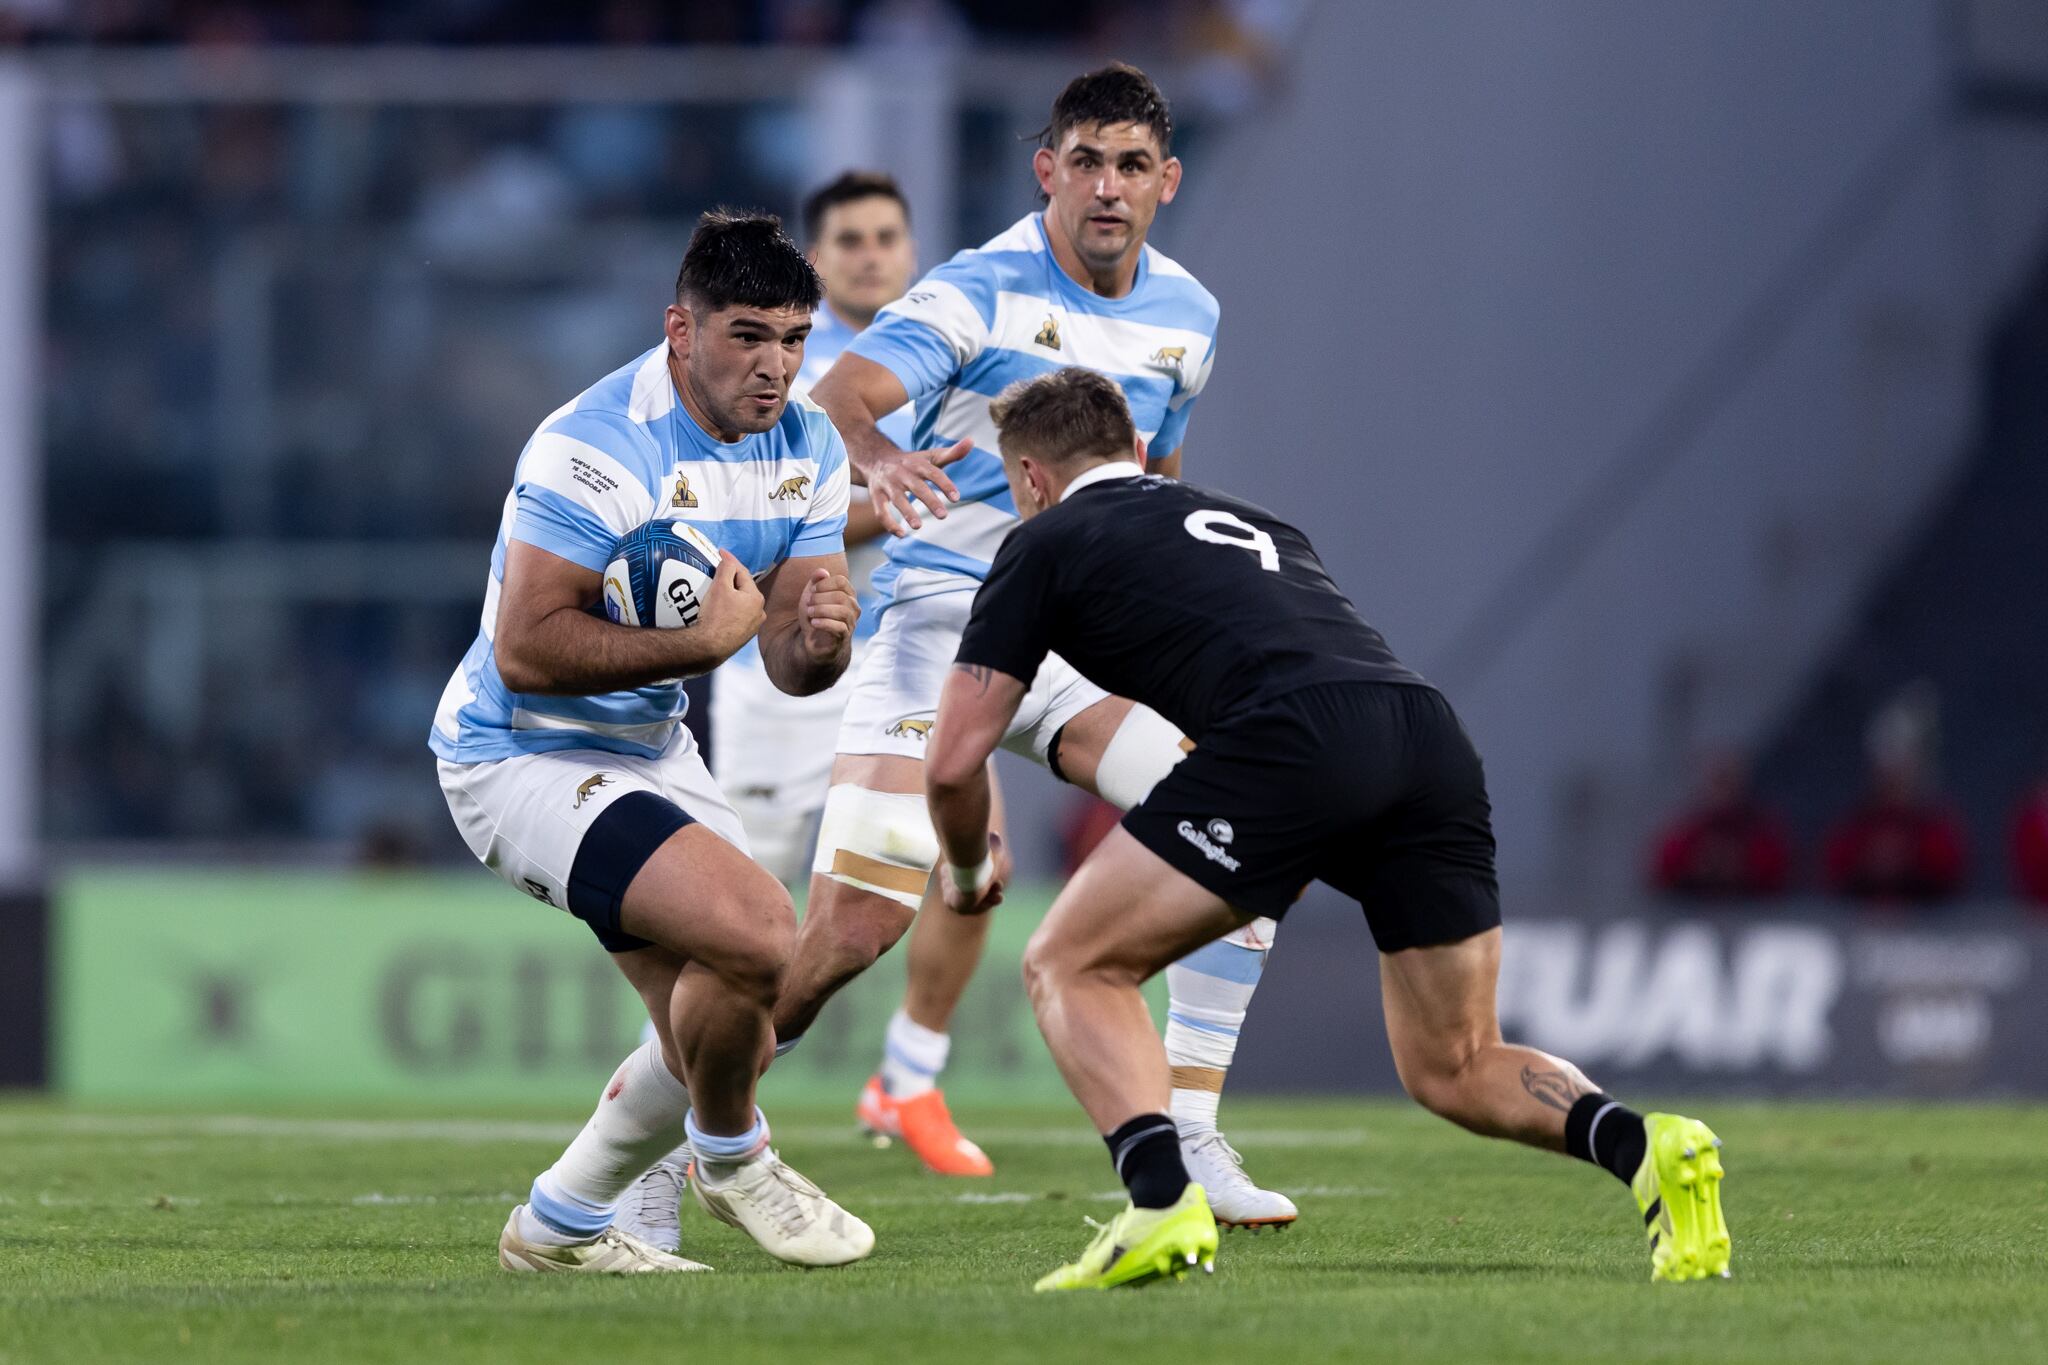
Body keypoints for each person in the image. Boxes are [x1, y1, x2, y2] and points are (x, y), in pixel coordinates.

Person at [924, 368, 1731, 1291]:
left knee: (1069, 961)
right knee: (1455, 1061)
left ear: (1028, 478)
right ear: (1140, 451)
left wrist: (959, 872)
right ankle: (1644, 1145)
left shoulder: (1044, 541)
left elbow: (952, 761)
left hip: (1291, 737)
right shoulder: (1255, 519)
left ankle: (1159, 1201)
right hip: (1423, 732)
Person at [785, 63, 1294, 1225]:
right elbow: (839, 396)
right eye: (1084, 162)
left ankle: (1197, 1134)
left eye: (1129, 166)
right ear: (1045, 171)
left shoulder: (1190, 318)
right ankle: (677, 1138)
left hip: (1077, 647)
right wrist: (876, 456)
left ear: (1165, 181)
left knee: (1245, 829)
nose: (1105, 188)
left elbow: (1147, 486)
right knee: (855, 923)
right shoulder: (976, 294)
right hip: (943, 622)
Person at [430, 210, 874, 1274]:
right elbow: (528, 648)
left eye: (794, 340)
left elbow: (785, 659)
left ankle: (561, 1224)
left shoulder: (807, 443)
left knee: (733, 1014)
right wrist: (699, 639)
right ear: (680, 329)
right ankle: (732, 1156)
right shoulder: (593, 445)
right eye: (748, 336)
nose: (775, 368)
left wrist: (820, 642)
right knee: (768, 937)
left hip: (648, 751)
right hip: (518, 753)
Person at [611, 171, 925, 1251]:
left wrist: (823, 631)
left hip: (884, 687)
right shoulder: (654, 421)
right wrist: (883, 512)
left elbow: (803, 628)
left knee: (843, 927)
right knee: (736, 943)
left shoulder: (906, 376)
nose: (870, 255)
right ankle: (672, 1153)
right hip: (728, 713)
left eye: (888, 236)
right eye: (851, 238)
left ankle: (890, 1083)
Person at [1822, 698, 1968, 904]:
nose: (1892, 775)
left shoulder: (1934, 825)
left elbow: (1949, 870)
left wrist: (1909, 861)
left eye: (1901, 766)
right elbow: (1835, 869)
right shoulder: (1857, 825)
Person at [1648, 751, 1792, 900]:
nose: (1723, 791)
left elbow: (1780, 874)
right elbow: (1662, 873)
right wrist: (1695, 866)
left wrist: (1743, 866)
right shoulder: (1687, 833)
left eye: (1728, 781)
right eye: (1717, 782)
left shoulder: (1764, 831)